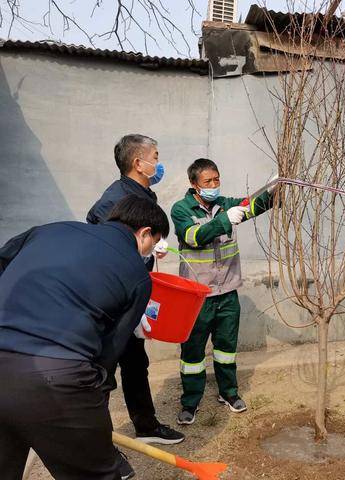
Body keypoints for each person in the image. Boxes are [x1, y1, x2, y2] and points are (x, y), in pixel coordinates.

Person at [0, 195, 169, 480]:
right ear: (144, 234)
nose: (151, 250)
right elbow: (107, 356)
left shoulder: (49, 230)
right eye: (155, 242)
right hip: (57, 378)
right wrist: (89, 409)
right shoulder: (137, 275)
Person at [87, 134, 183, 478]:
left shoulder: (142, 193)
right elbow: (103, 244)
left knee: (135, 362)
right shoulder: (114, 200)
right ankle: (98, 446)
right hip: (111, 301)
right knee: (102, 374)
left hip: (132, 295)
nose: (159, 163)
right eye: (155, 157)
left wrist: (150, 249)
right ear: (138, 163)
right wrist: (136, 251)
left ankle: (145, 424)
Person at [171, 158, 274, 424]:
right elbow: (192, 236)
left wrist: (273, 191)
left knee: (226, 349)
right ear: (194, 184)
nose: (214, 185)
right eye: (208, 181)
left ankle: (228, 393)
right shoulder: (181, 209)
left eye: (217, 179)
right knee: (192, 354)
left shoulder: (226, 204)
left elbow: (253, 206)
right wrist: (223, 221)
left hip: (227, 293)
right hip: (197, 297)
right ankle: (190, 402)